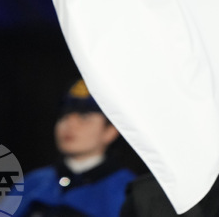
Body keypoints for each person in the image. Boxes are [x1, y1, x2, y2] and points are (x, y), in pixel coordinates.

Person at [16, 79, 136, 217]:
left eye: (84, 117)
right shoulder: (35, 182)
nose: (70, 125)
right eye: (64, 116)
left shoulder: (127, 190)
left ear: (110, 131)